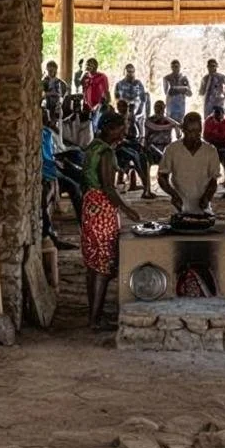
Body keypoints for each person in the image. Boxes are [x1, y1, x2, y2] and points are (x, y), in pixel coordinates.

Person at [82, 111, 140, 330]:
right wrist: (126, 209)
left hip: (90, 206)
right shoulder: (106, 153)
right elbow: (108, 187)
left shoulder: (93, 146)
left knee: (93, 263)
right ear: (109, 128)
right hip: (103, 210)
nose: (123, 131)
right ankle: (95, 321)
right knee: (104, 265)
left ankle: (93, 314)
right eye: (120, 127)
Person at [158, 111, 221, 215]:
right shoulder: (172, 149)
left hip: (203, 207)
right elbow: (162, 176)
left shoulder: (210, 151)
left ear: (201, 130)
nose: (194, 135)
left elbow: (213, 180)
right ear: (183, 130)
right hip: (179, 206)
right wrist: (173, 195)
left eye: (197, 131)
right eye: (190, 131)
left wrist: (207, 197)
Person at [41, 119, 80, 249]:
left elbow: (52, 153)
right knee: (45, 200)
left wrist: (58, 160)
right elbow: (46, 158)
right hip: (46, 171)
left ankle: (84, 223)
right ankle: (51, 236)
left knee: (75, 183)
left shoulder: (47, 133)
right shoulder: (41, 134)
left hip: (51, 168)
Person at [201, 100, 225, 190]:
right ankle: (208, 180)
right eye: (215, 113)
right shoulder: (209, 121)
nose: (216, 115)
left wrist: (217, 134)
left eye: (218, 113)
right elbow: (206, 136)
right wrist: (217, 137)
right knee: (208, 154)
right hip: (212, 145)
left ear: (223, 114)